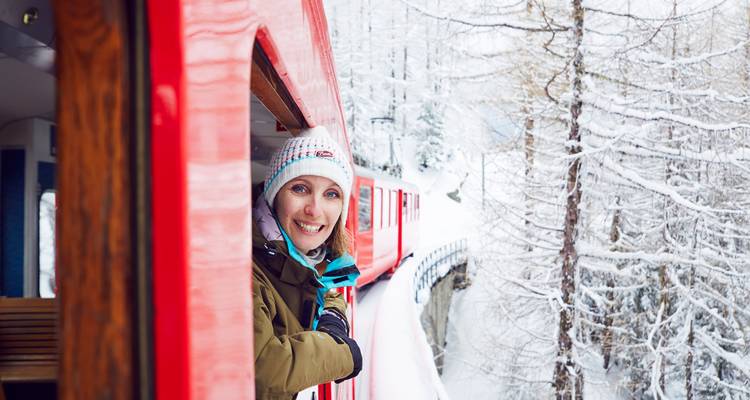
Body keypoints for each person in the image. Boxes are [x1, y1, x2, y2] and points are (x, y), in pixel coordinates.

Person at [252, 126, 362, 399]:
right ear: (274, 195)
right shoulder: (242, 269)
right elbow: (262, 369)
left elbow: (321, 288)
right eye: (300, 188)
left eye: (331, 194)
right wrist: (343, 353)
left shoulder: (305, 260)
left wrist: (333, 314)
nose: (315, 209)